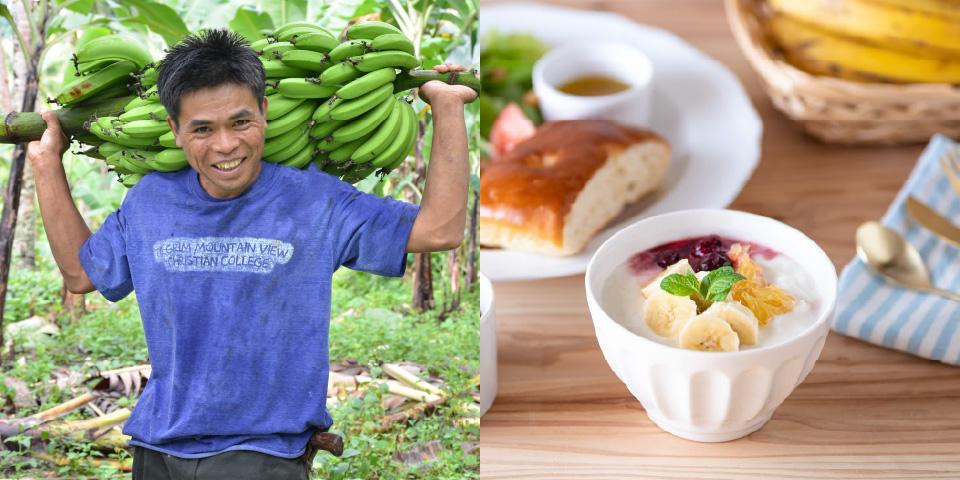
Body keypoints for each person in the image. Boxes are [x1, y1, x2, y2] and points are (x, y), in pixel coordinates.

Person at [27, 28, 478, 479]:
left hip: (261, 455)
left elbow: (439, 229)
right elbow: (81, 275)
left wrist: (447, 106)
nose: (225, 145)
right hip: (156, 449)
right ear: (174, 130)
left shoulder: (314, 201)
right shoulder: (150, 201)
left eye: (240, 122)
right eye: (202, 129)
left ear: (264, 111)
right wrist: (46, 165)